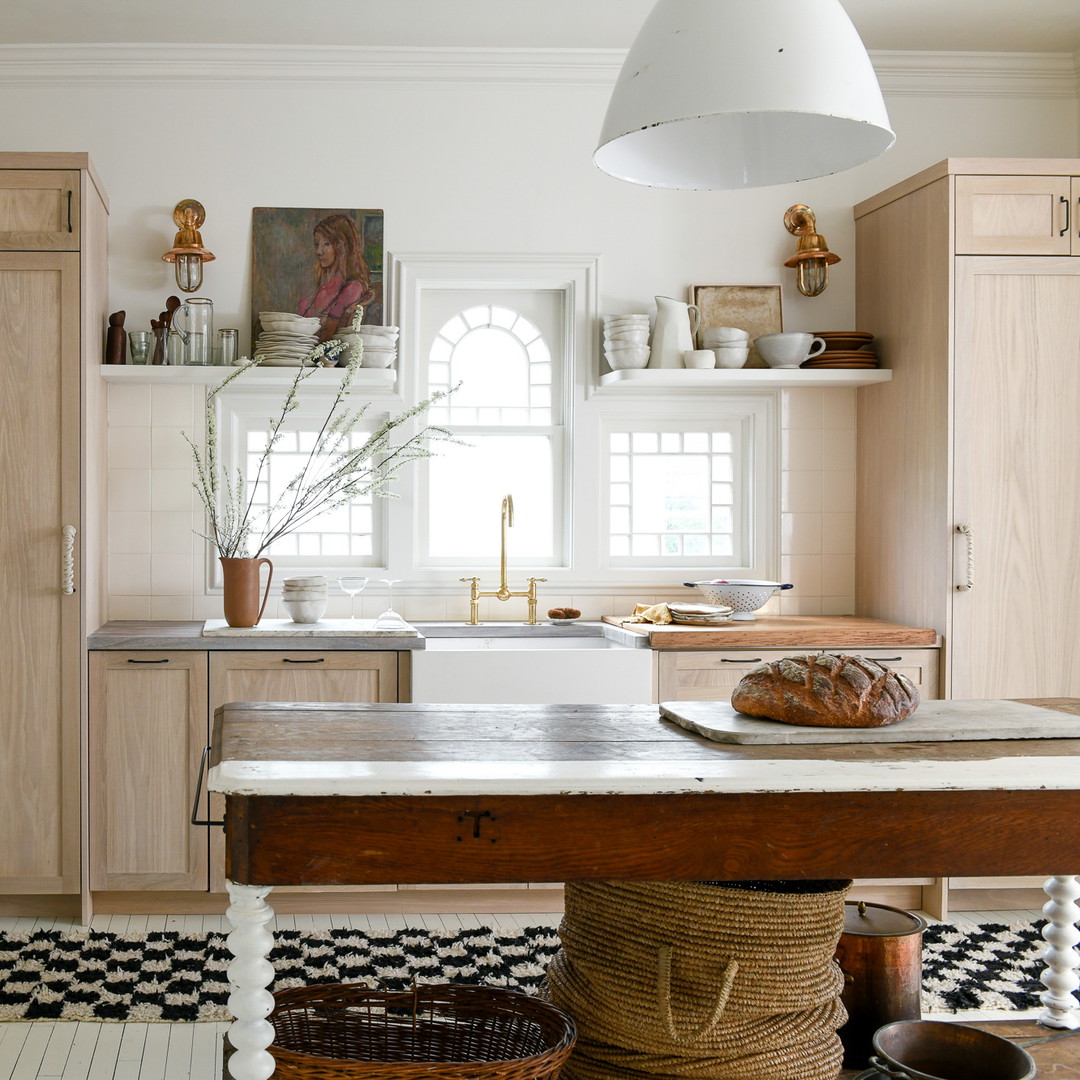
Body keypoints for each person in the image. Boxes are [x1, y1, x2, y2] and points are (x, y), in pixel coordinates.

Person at [298, 213, 381, 341]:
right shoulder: (326, 284)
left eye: (326, 244)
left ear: (341, 247)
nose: (318, 251)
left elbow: (328, 337)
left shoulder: (352, 288)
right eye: (317, 244)